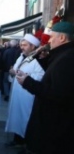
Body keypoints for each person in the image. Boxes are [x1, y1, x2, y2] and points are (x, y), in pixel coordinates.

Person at [16, 22, 74, 154]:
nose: (50, 40)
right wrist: (42, 58)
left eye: (52, 37)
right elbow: (52, 75)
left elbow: (58, 94)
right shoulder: (62, 55)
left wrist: (28, 82)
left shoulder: (67, 58)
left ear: (62, 38)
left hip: (54, 125)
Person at [5, 34, 45, 148]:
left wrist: (23, 76)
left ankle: (26, 143)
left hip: (28, 95)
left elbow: (41, 76)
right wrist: (13, 71)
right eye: (21, 45)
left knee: (25, 118)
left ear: (33, 46)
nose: (22, 47)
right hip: (18, 94)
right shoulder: (22, 56)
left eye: (25, 45)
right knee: (17, 116)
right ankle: (17, 140)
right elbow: (17, 69)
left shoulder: (39, 60)